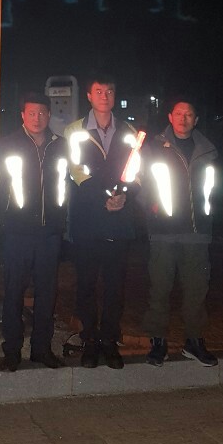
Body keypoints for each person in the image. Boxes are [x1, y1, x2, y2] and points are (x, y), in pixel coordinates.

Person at [64, 74, 141, 369]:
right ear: (89, 96)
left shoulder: (129, 131)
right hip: (88, 219)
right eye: (99, 91)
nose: (104, 96)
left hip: (119, 219)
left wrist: (124, 196)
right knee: (85, 283)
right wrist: (105, 197)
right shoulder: (75, 130)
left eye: (109, 91)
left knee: (114, 286)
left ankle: (109, 340)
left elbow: (136, 170)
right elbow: (76, 171)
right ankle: (89, 341)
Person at [141, 98, 219, 367]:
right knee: (160, 289)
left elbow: (217, 188)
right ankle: (158, 342)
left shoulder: (208, 151)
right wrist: (150, 209)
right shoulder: (154, 148)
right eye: (179, 113)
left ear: (196, 120)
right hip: (163, 231)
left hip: (197, 232)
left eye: (189, 114)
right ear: (170, 117)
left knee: (197, 291)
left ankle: (194, 341)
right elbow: (140, 182)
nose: (183, 119)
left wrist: (209, 214)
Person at [0, 91, 69, 371]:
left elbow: (71, 181)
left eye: (42, 113)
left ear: (49, 115)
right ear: (22, 115)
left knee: (47, 293)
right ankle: (12, 351)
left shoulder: (61, 146)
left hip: (50, 232)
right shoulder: (8, 144)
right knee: (14, 292)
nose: (37, 118)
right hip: (18, 231)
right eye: (31, 113)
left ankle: (42, 349)